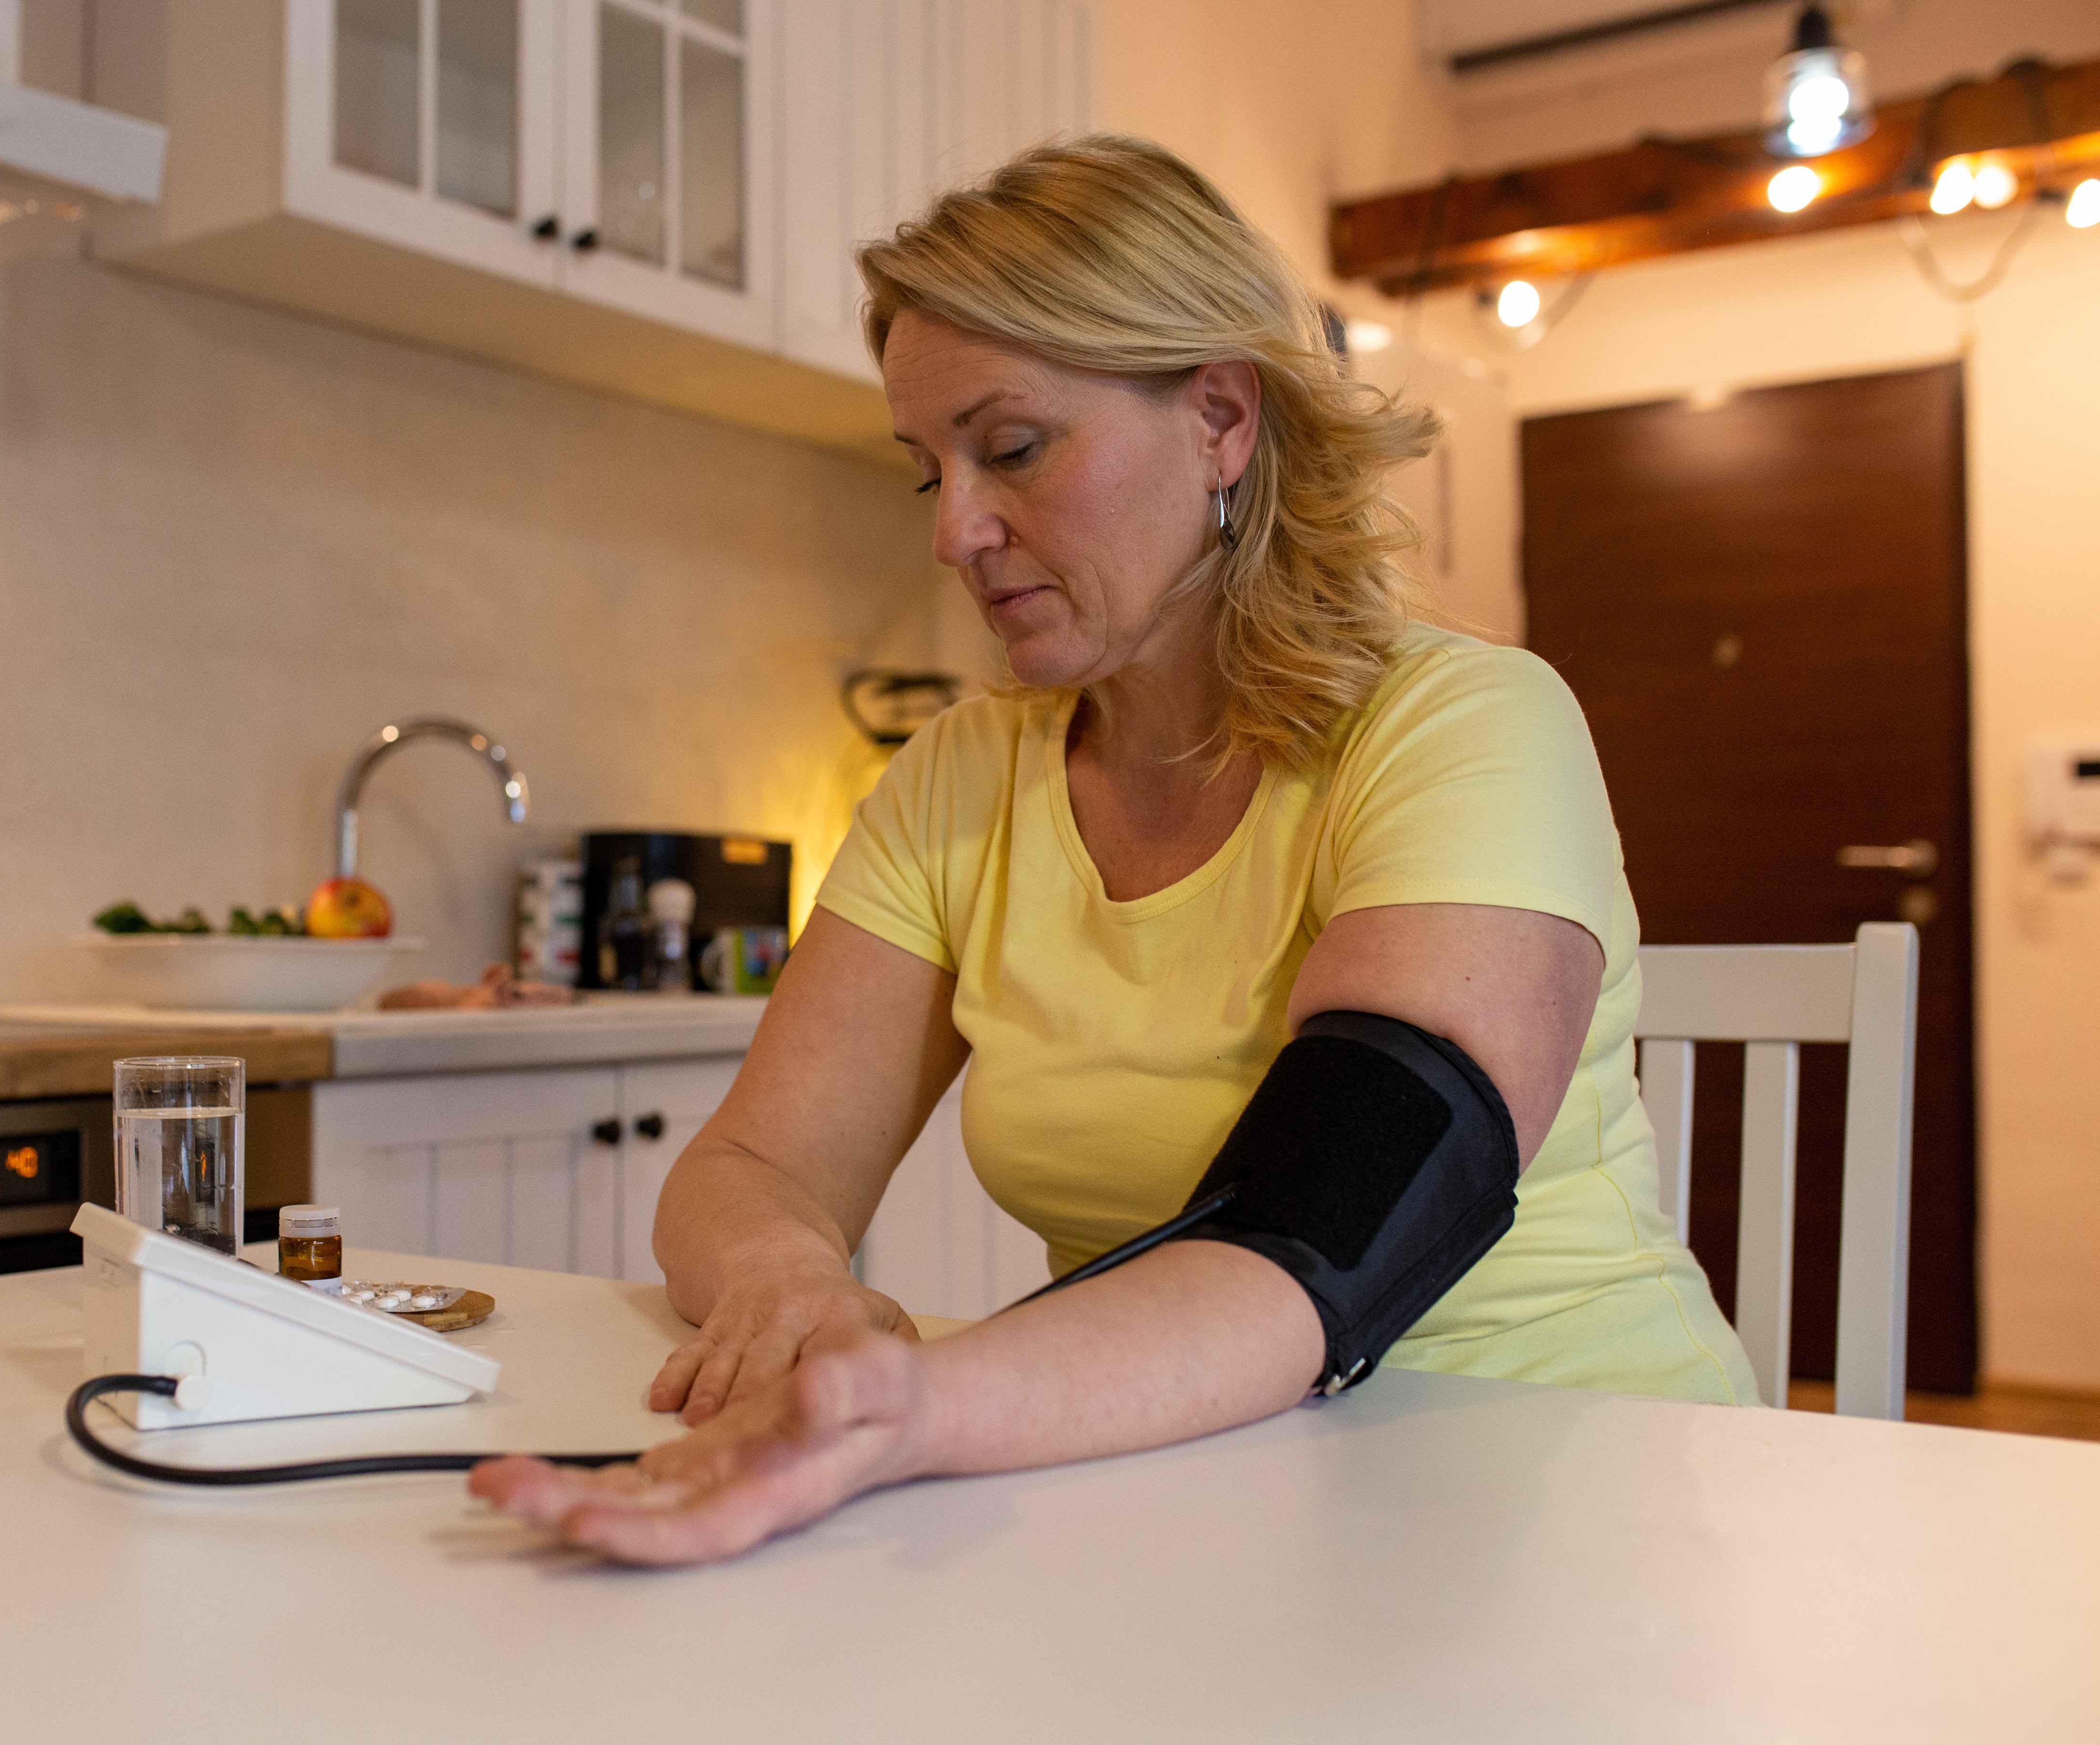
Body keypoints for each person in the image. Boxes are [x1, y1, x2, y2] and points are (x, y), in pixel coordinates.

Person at [471, 133, 1754, 1566]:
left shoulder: (1465, 722)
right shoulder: (961, 780)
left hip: (1565, 1493)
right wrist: (789, 1280)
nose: (956, 532)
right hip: (1186, 1486)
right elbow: (754, 1163)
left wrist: (918, 1408)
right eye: (927, 473)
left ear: (1220, 418)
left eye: (1012, 448)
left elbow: (1332, 1229)